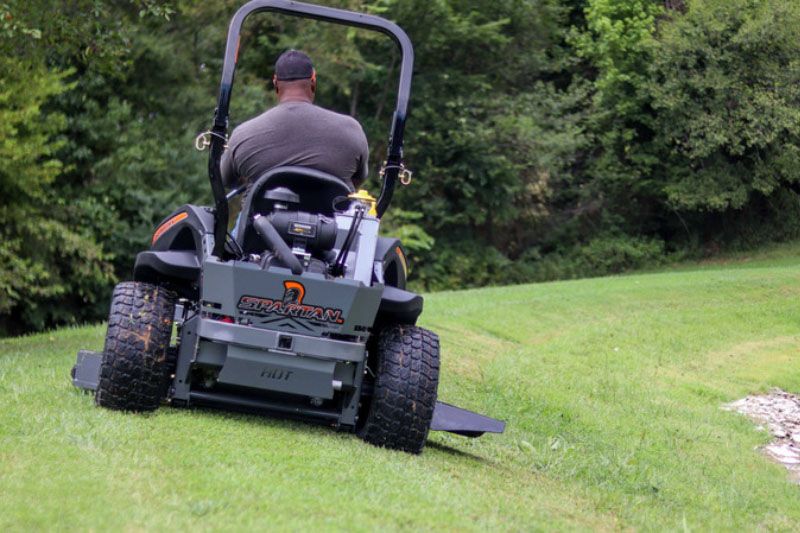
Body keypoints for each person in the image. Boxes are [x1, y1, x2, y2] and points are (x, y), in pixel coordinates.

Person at [221, 50, 370, 192]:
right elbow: (358, 178)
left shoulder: (243, 134)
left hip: (262, 218)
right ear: (313, 81)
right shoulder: (352, 130)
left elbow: (227, 180)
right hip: (332, 217)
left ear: (275, 83)